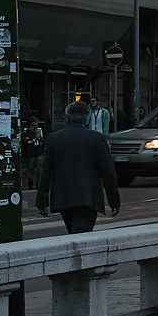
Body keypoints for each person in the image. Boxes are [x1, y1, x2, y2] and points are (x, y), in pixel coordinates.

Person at [37, 100, 119, 234]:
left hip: (63, 196)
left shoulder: (54, 138)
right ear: (87, 118)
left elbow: (46, 172)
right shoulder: (97, 138)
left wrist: (42, 201)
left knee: (73, 232)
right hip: (88, 197)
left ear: (67, 117)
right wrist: (114, 200)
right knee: (81, 235)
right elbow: (108, 172)